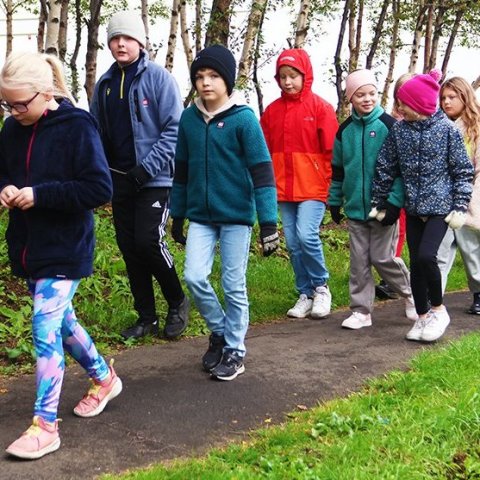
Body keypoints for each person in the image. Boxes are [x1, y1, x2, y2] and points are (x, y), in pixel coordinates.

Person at [0, 52, 122, 460]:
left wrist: (40, 195)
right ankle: (104, 378)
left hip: (66, 247)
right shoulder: (10, 128)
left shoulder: (77, 126)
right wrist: (6, 188)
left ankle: (44, 426)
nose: (15, 111)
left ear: (46, 92)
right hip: (29, 246)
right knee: (63, 321)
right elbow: (4, 171)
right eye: (7, 104)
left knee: (43, 327)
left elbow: (99, 188)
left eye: (22, 103)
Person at [170, 45, 279, 381]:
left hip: (236, 216)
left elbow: (262, 173)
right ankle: (219, 331)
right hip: (201, 216)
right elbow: (182, 169)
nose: (206, 83)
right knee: (194, 277)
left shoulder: (243, 119)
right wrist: (178, 214)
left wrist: (269, 224)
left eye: (213, 76)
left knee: (233, 285)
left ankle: (235, 350)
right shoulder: (189, 118)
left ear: (227, 81)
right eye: (200, 77)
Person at [90, 11, 190, 340]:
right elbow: (98, 133)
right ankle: (146, 316)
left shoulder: (159, 79)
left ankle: (177, 301)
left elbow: (174, 131)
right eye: (115, 38)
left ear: (140, 42)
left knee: (148, 241)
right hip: (119, 180)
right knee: (129, 247)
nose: (121, 43)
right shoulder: (104, 84)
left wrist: (145, 169)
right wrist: (101, 173)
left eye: (127, 38)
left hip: (154, 180)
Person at [371, 69, 474, 342]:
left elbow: (463, 172)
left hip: (442, 207)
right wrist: (379, 201)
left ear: (418, 105)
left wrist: (460, 206)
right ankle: (422, 315)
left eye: (403, 103)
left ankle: (439, 309)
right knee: (416, 263)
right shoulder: (399, 131)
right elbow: (385, 166)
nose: (399, 107)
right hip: (414, 207)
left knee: (429, 256)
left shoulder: (447, 131)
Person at [328, 69, 417, 330]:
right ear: (350, 99)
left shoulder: (390, 126)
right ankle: (361, 311)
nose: (367, 99)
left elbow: (401, 170)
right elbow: (338, 169)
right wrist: (335, 200)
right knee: (358, 263)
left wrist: (394, 202)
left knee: (382, 258)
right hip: (356, 208)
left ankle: (412, 293)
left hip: (383, 209)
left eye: (372, 93)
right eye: (360, 95)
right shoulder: (344, 131)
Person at [260, 48, 338, 319]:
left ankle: (321, 287)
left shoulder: (321, 108)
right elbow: (262, 151)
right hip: (282, 188)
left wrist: (330, 188)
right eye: (282, 76)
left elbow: (332, 153)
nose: (288, 82)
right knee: (293, 243)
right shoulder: (271, 112)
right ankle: (305, 292)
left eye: (293, 75)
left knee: (307, 235)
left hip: (313, 187)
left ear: (306, 75)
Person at [437, 76, 480, 314]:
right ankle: (434, 298)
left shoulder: (476, 126)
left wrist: (471, 202)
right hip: (444, 199)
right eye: (443, 97)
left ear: (465, 97)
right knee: (440, 250)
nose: (446, 102)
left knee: (472, 249)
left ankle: (479, 292)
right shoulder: (439, 126)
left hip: (470, 199)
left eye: (452, 97)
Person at [375, 73, 414, 301]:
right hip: (395, 186)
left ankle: (414, 279)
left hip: (418, 187)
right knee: (396, 231)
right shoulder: (390, 121)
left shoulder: (423, 118)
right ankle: (389, 280)